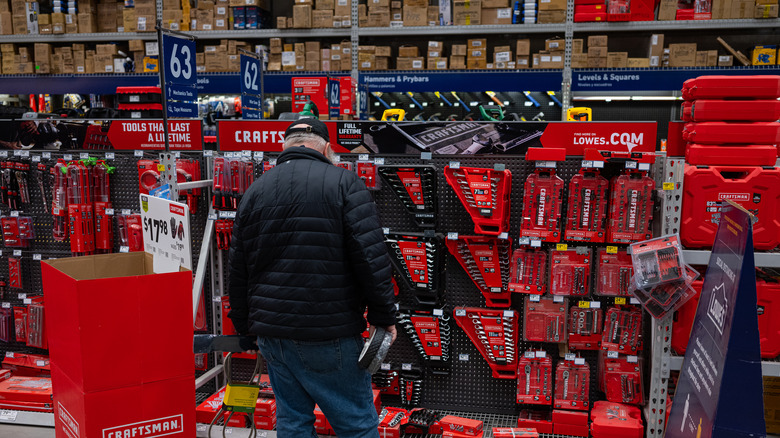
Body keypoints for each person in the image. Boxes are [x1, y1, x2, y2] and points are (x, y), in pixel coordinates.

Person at [228, 118, 397, 438]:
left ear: (286, 149)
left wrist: (244, 327)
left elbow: (238, 268)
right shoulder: (344, 183)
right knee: (356, 423)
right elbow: (371, 258)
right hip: (328, 332)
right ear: (327, 148)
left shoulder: (254, 191)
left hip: (273, 335)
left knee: (292, 422)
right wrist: (383, 317)